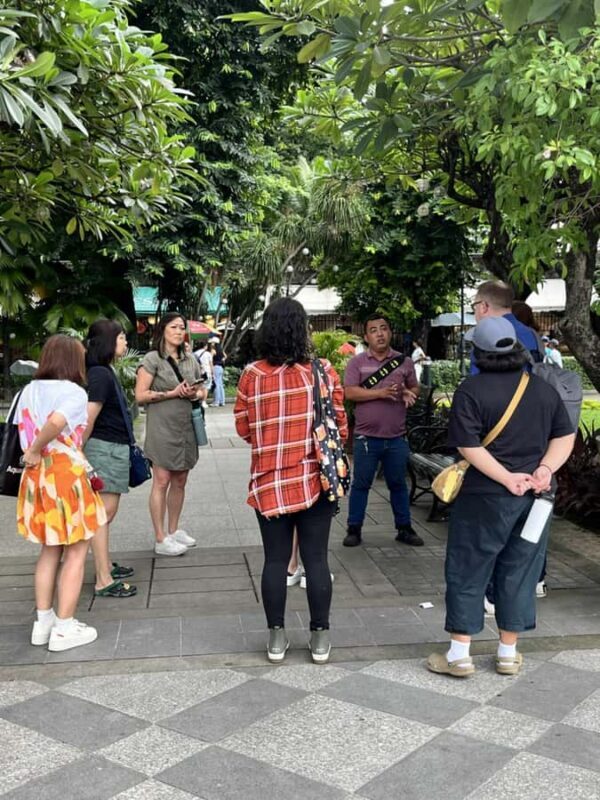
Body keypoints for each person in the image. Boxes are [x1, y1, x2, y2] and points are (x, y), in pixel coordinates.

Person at [427, 317, 575, 679]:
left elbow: (468, 445)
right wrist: (544, 471)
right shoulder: (542, 389)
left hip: (485, 497)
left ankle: (459, 654)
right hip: (536, 499)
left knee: (468, 567)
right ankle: (508, 652)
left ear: (478, 352)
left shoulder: (471, 391)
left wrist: (507, 478)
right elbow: (564, 436)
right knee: (520, 569)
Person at [234, 297, 347, 664]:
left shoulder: (252, 375)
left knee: (274, 561)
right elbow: (340, 424)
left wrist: (272, 441)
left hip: (268, 480)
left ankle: (277, 637)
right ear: (304, 329)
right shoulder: (323, 370)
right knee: (316, 560)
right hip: (316, 478)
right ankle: (320, 638)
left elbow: (243, 427)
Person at [16, 335, 106, 652]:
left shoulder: (27, 391)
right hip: (64, 474)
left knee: (49, 549)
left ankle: (44, 622)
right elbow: (56, 422)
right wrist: (38, 449)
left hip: (36, 479)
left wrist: (34, 452)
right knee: (77, 550)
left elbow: (22, 429)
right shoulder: (73, 392)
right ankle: (65, 628)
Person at [343, 314, 423, 548]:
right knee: (361, 484)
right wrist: (379, 393)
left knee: (398, 484)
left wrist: (411, 394)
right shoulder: (357, 363)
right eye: (374, 330)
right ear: (366, 336)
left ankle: (404, 528)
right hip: (366, 438)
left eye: (384, 328)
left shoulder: (404, 362)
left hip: (396, 437)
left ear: (390, 332)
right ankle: (354, 528)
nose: (380, 333)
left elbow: (414, 386)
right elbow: (350, 393)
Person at [135, 312, 206, 556]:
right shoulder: (152, 359)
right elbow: (140, 395)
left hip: (185, 425)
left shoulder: (190, 359)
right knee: (162, 480)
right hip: (162, 427)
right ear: (163, 329)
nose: (178, 331)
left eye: (182, 328)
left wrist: (196, 394)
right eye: (174, 327)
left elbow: (203, 390)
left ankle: (174, 531)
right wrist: (172, 393)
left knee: (180, 480)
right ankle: (160, 537)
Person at [83, 320, 137, 599]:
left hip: (111, 447)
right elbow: (89, 418)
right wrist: (78, 451)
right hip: (104, 449)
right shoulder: (100, 375)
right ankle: (103, 578)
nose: (125, 343)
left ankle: (104, 566)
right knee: (103, 514)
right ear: (108, 342)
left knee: (104, 514)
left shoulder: (103, 371)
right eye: (121, 338)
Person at [470, 281, 543, 374]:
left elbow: (476, 383)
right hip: (533, 387)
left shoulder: (484, 338)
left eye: (474, 307)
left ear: (483, 307)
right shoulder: (533, 335)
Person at [210, 335, 227, 407]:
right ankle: (222, 401)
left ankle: (216, 402)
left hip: (215, 367)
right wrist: (222, 360)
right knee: (220, 385)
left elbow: (210, 359)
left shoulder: (213, 350)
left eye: (212, 342)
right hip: (221, 368)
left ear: (214, 343)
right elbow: (225, 356)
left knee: (216, 384)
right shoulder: (221, 350)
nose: (211, 344)